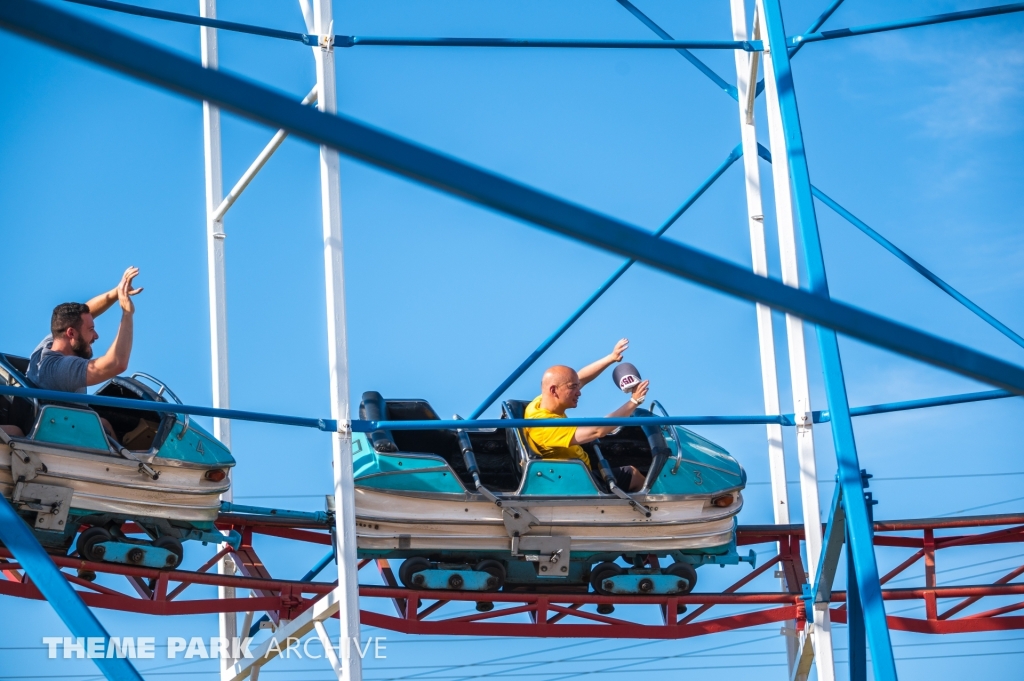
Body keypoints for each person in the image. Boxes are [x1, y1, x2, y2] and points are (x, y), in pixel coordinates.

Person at [26, 267, 143, 437]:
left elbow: (85, 312)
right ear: (71, 333)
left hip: (67, 424)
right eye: (91, 329)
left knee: (104, 423)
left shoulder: (50, 344)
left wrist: (117, 292)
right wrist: (127, 313)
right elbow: (117, 363)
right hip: (67, 436)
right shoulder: (62, 370)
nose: (96, 335)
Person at [523, 339, 650, 493]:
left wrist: (611, 357)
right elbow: (597, 431)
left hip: (576, 470)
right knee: (634, 476)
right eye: (573, 388)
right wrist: (634, 401)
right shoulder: (545, 427)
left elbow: (580, 377)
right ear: (553, 391)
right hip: (574, 481)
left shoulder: (540, 403)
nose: (579, 392)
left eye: (577, 387)